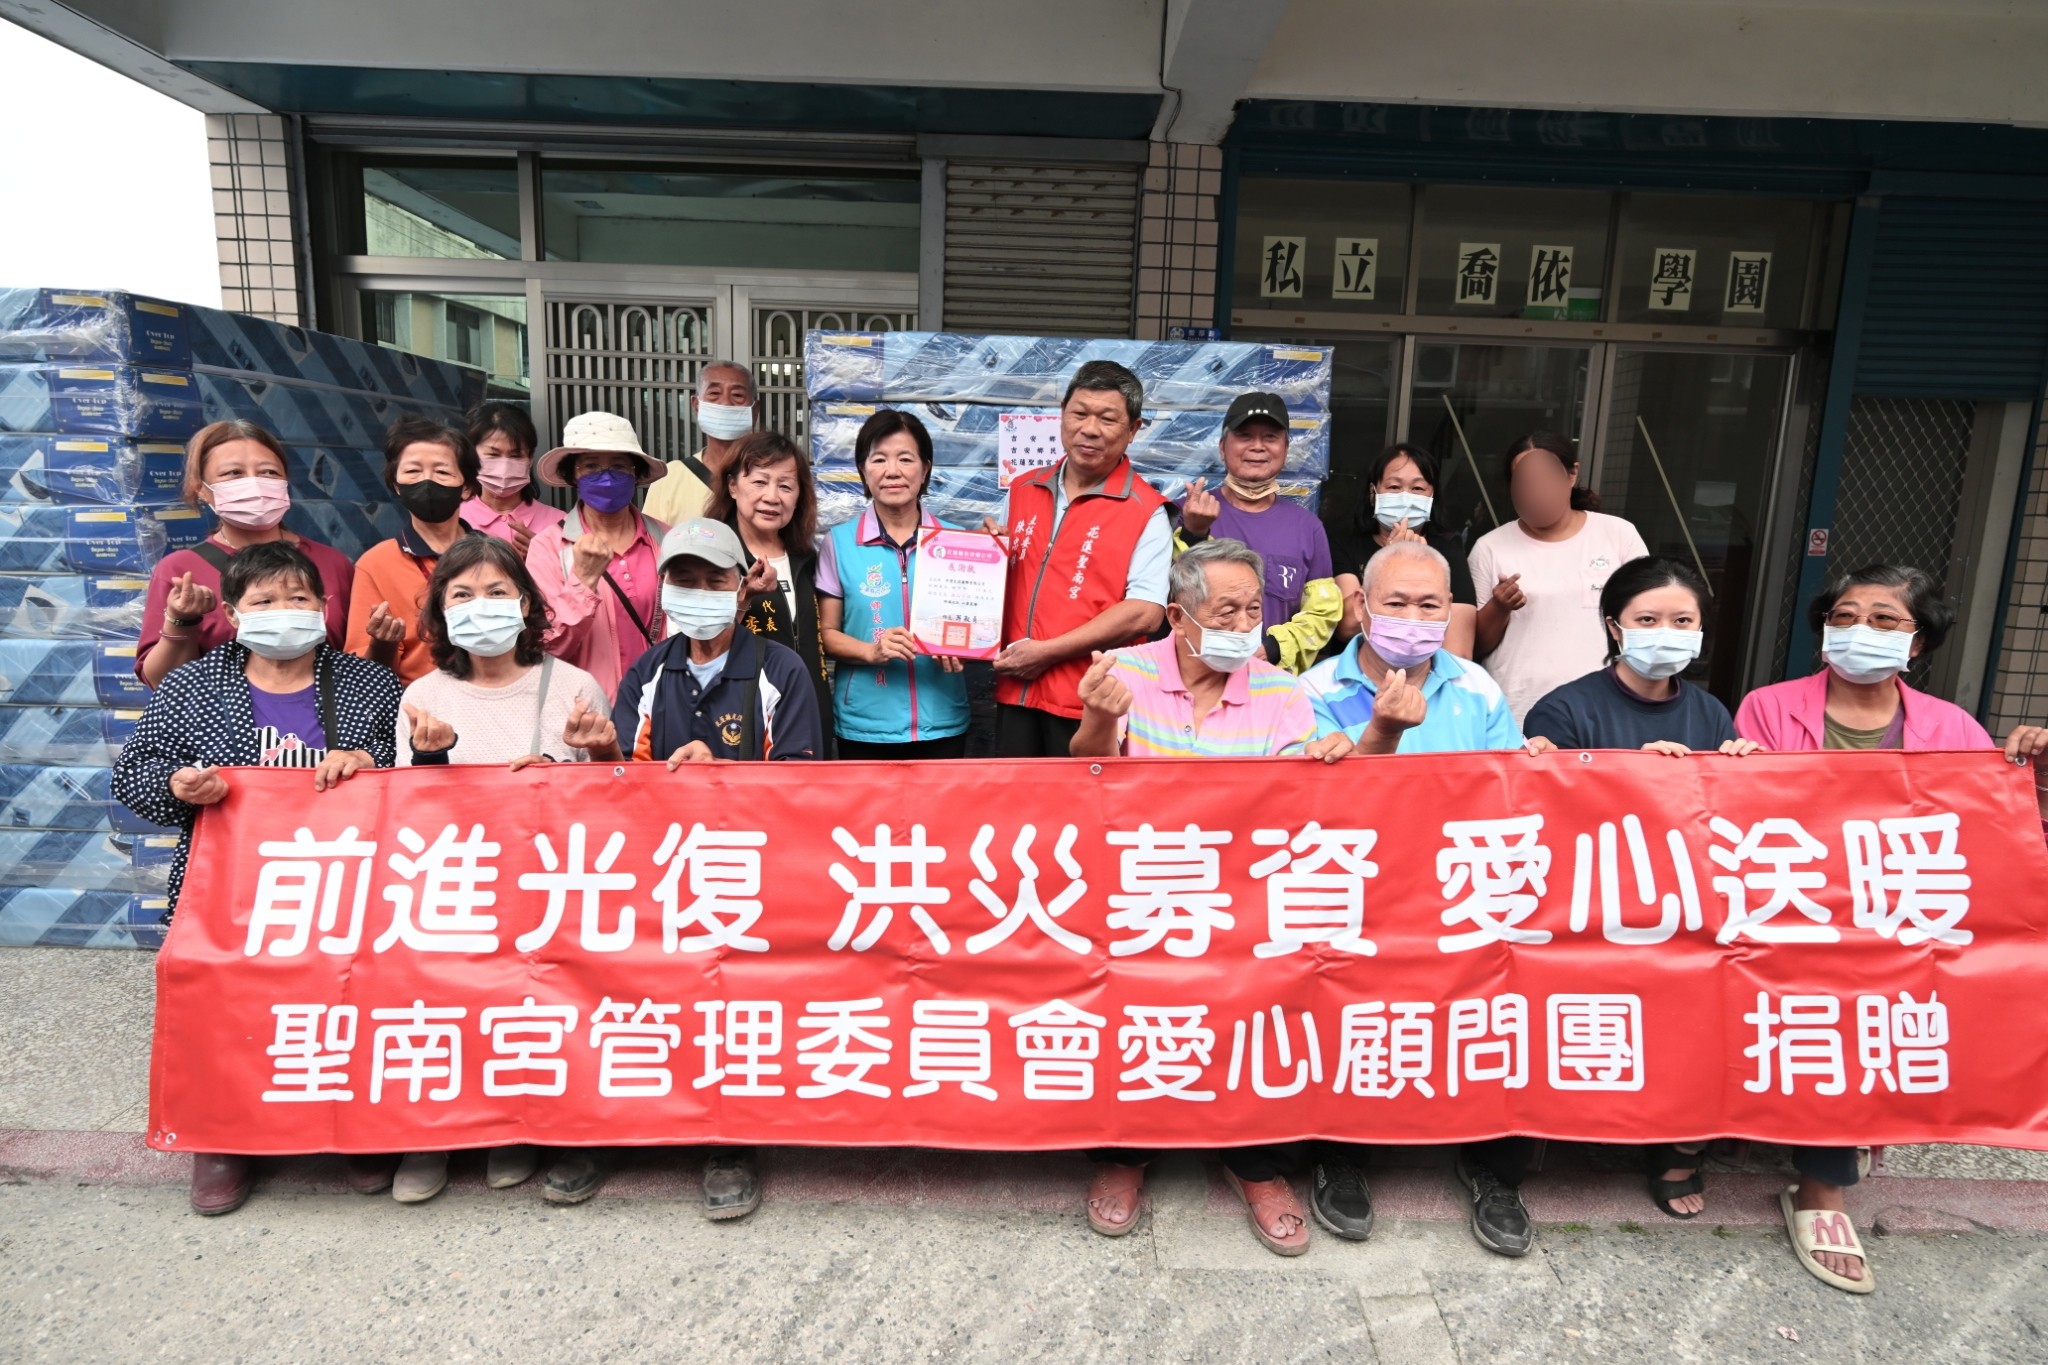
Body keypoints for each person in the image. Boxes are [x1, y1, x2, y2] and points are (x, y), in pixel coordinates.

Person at [1733, 563, 2048, 1295]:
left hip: (1898, 914)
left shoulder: (1954, 728)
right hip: (1796, 907)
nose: (1859, 631)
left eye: (1883, 620)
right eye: (1844, 617)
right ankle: (1818, 1166)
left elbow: (1991, 835)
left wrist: (2028, 774)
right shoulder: (1767, 707)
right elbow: (1741, 814)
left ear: (1919, 640)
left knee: (1882, 1002)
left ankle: (1825, 1176)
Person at [1069, 537, 1350, 1254]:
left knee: (1261, 1014)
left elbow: (1294, 806)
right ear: (1178, 616)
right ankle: (1124, 1154)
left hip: (1244, 899)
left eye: (1254, 610)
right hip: (1140, 889)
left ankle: (1255, 1163)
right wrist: (1097, 719)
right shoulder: (1125, 671)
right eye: (1226, 610)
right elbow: (1086, 778)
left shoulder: (1283, 691)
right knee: (1130, 1014)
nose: (1245, 624)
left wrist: (1326, 759)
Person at [110, 540, 401, 1217]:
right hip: (229, 884)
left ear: (324, 607)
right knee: (223, 1003)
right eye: (265, 601)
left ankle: (349, 1125)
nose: (284, 610)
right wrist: (179, 784)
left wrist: (370, 762)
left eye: (299, 597)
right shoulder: (191, 686)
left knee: (342, 999)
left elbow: (412, 767)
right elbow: (135, 772)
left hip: (344, 880)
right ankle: (221, 1138)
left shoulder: (370, 682)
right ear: (235, 615)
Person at [561, 519, 821, 1218]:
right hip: (653, 870)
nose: (698, 592)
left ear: (740, 590)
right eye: (684, 580)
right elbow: (619, 781)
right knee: (629, 995)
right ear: (665, 588)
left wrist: (723, 770)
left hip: (746, 875)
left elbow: (803, 785)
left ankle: (727, 1140)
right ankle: (611, 1128)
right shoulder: (648, 671)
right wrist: (597, 752)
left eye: (714, 580)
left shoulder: (779, 669)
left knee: (728, 1003)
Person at [1298, 541, 1550, 1258]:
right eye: (1397, 603)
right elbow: (1314, 808)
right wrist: (1380, 732)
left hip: (1461, 884)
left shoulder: (1476, 685)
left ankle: (1494, 1166)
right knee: (1346, 1011)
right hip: (1359, 888)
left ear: (1451, 612)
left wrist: (1534, 764)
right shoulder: (1314, 689)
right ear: (1363, 607)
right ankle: (1341, 1155)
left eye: (1429, 605)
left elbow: (1508, 784)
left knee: (1502, 1002)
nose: (1413, 619)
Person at [1521, 555, 1760, 1220]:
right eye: (1648, 619)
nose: (1667, 633)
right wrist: (1632, 776)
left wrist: (1742, 771)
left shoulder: (1712, 712)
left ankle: (1679, 1144)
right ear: (1614, 627)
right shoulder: (1565, 707)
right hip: (1590, 900)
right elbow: (1544, 814)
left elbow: (1729, 824)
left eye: (1683, 621)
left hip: (1687, 904)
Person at [386, 534, 622, 1206]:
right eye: (462, 594)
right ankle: (430, 1134)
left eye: (496, 592)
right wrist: (431, 759)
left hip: (548, 889)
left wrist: (579, 766)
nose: (480, 605)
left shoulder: (573, 685)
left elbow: (614, 802)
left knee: (531, 1007)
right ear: (440, 610)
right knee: (441, 1001)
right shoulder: (424, 694)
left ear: (525, 604)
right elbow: (407, 807)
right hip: (459, 884)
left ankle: (512, 1122)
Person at [992, 360, 1170, 756]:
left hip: (1092, 702)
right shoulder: (1023, 489)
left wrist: (1046, 652)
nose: (1089, 429)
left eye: (1107, 419)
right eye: (1079, 413)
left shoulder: (1147, 510)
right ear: (1062, 415)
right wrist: (984, 552)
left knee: (1079, 796)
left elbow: (1145, 612)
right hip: (1016, 690)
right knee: (1013, 793)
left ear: (1133, 429)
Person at [136, 419, 354, 688]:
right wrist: (181, 621)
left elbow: (357, 661)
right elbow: (161, 682)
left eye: (269, 472)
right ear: (201, 489)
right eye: (234, 473)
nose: (254, 483)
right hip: (220, 715)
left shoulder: (332, 563)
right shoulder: (181, 571)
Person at [816, 409, 971, 758]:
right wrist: (871, 651)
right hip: (865, 725)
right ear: (863, 469)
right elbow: (827, 634)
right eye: (879, 459)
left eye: (905, 458)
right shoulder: (839, 544)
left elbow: (978, 628)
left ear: (925, 468)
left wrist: (965, 646)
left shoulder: (958, 542)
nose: (892, 471)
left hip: (943, 720)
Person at [1468, 432, 1647, 722]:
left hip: (1604, 710)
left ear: (1571, 474)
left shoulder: (1618, 535)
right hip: (1518, 709)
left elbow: (1647, 619)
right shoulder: (1489, 547)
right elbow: (1474, 645)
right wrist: (1499, 606)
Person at [1173, 391, 1338, 673]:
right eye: (1245, 436)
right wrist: (1193, 532)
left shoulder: (1308, 527)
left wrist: (1274, 648)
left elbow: (1323, 613)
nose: (1258, 447)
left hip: (1272, 680)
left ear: (1286, 448)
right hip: (1194, 677)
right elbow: (1169, 599)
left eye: (1270, 437)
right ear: (1222, 447)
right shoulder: (1183, 513)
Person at [525, 411, 670, 701]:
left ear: (636, 473)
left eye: (618, 465)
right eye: (590, 466)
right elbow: (546, 645)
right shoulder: (548, 546)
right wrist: (583, 580)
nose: (606, 476)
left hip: (659, 705)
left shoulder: (665, 538)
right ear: (573, 475)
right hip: (587, 709)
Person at [704, 430, 831, 730]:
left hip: (809, 717)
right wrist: (742, 600)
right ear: (733, 486)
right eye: (760, 482)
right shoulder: (712, 558)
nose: (772, 497)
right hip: (739, 720)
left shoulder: (807, 559)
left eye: (785, 486)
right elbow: (698, 646)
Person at [345, 416, 481, 684]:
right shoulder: (375, 564)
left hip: (493, 696)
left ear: (466, 487)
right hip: (414, 703)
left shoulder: (496, 556)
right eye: (413, 472)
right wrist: (382, 643)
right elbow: (364, 670)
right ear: (396, 485)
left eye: (442, 472)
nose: (427, 481)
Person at [1329, 443, 1478, 658]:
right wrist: (1392, 561)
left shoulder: (1449, 553)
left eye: (1417, 488)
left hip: (1427, 674)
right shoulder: (1345, 545)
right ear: (1373, 492)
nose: (1405, 497)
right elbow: (1347, 627)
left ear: (1432, 496)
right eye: (1394, 487)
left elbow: (1459, 651)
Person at [643, 360, 761, 525]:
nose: (725, 403)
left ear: (755, 410)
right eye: (714, 393)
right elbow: (652, 539)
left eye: (737, 395)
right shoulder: (668, 478)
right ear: (696, 405)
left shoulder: (773, 476)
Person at [458, 400, 563, 557]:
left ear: (530, 458)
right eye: (493, 454)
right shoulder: (453, 519)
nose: (504, 465)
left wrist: (544, 558)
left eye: (516, 455)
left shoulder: (559, 522)